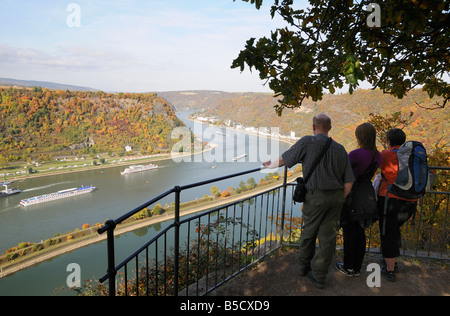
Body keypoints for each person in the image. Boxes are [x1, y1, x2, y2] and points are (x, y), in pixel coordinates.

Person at [263, 113, 355, 289]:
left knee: (309, 233)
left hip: (315, 196)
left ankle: (303, 267)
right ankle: (320, 276)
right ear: (330, 128)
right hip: (336, 198)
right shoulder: (341, 149)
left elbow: (285, 159)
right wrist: (339, 198)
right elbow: (349, 181)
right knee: (328, 238)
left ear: (314, 127)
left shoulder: (307, 142)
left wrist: (270, 165)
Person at [336, 123, 381, 277]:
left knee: (349, 231)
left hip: (353, 194)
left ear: (360, 137)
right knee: (360, 232)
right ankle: (356, 268)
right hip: (367, 194)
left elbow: (344, 174)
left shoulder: (355, 154)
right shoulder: (377, 155)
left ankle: (348, 267)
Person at [377, 128, 418, 282]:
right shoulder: (411, 156)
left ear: (388, 141)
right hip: (410, 202)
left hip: (390, 201)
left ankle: (390, 269)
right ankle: (392, 260)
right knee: (394, 231)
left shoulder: (385, 155)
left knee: (388, 233)